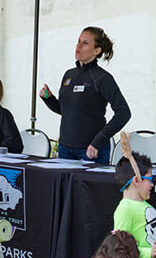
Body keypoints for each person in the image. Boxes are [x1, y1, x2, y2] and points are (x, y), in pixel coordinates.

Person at [39, 27, 130, 164]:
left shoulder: (102, 78)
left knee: (89, 186)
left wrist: (99, 140)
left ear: (96, 51)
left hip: (91, 150)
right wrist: (49, 99)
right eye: (78, 41)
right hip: (65, 148)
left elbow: (124, 112)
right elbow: (67, 110)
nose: (78, 46)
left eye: (85, 43)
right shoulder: (69, 75)